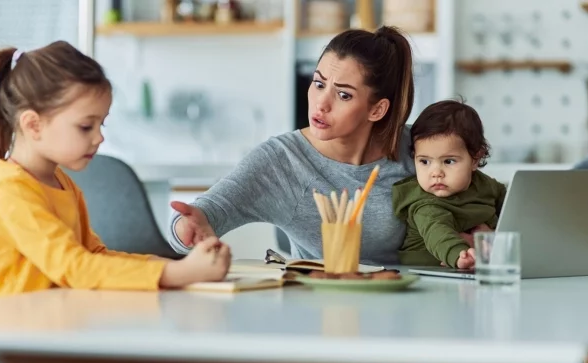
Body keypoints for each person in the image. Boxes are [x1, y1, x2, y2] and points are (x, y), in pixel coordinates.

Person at [0, 41, 231, 299]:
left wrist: (176, 267)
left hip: (52, 326)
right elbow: (74, 267)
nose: (99, 138)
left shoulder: (61, 182)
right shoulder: (11, 190)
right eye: (86, 126)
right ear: (33, 125)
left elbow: (93, 256)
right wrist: (179, 274)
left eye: (102, 125)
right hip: (12, 334)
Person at [168, 26, 417, 265]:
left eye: (343, 95)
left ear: (377, 109)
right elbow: (206, 212)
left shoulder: (418, 151)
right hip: (318, 301)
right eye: (319, 84)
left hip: (413, 299)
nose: (321, 103)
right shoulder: (282, 161)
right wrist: (186, 226)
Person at [392, 99, 507, 269]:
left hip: (476, 267)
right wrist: (460, 255)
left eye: (448, 161)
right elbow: (438, 233)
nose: (436, 173)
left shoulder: (486, 186)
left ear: (475, 159)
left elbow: (511, 208)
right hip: (427, 274)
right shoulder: (425, 204)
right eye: (424, 162)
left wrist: (498, 237)